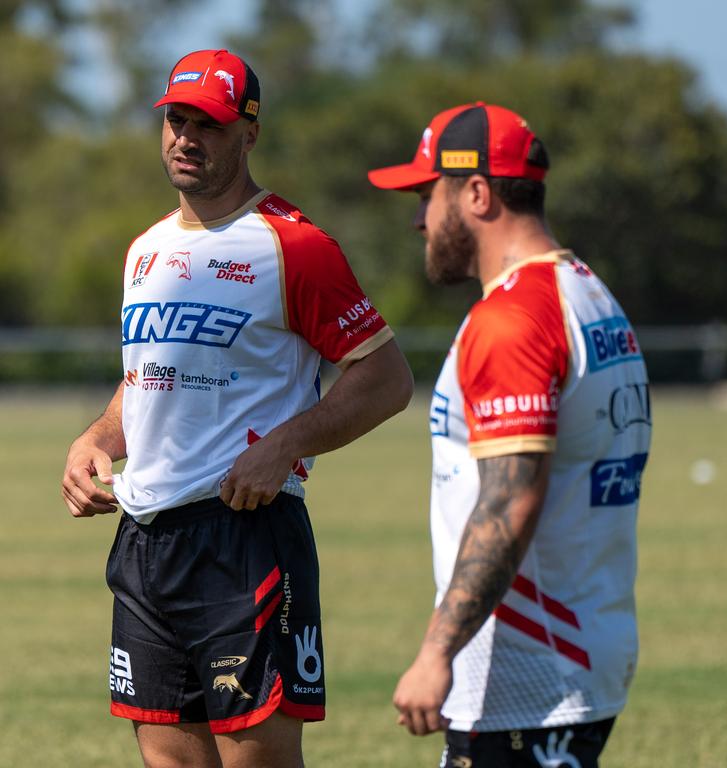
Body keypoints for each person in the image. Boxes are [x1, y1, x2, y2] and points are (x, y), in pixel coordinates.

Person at [61, 49, 413, 768]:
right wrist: (97, 435)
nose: (186, 138)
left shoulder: (295, 246)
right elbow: (148, 376)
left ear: (249, 134)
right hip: (146, 540)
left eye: (209, 126)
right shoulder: (146, 251)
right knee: (170, 761)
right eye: (176, 120)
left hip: (246, 537)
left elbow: (385, 376)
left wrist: (286, 443)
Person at [368, 102, 652, 767]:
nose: (419, 219)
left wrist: (437, 652)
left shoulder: (513, 320)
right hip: (577, 648)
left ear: (474, 192)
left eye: (425, 194)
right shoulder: (589, 295)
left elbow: (511, 499)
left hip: (528, 674)